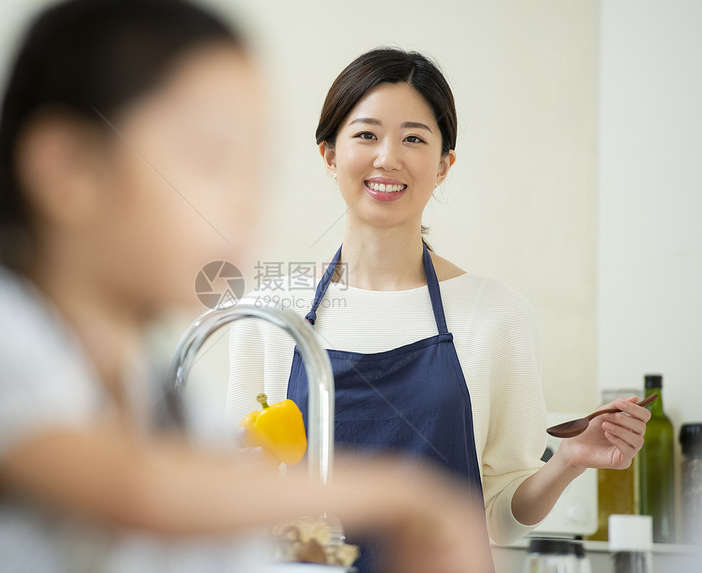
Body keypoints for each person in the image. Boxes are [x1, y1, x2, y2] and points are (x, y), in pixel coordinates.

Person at [0, 3, 494, 573]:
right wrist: (409, 495)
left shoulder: (152, 390)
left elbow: (216, 496)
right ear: (69, 168)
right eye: (211, 158)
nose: (244, 203)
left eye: (255, 170)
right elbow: (139, 491)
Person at [226, 48, 652, 573]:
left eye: (413, 138)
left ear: (444, 163)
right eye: (365, 134)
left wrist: (568, 461)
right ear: (329, 154)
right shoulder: (270, 312)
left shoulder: (497, 315)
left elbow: (496, 512)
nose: (388, 157)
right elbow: (233, 496)